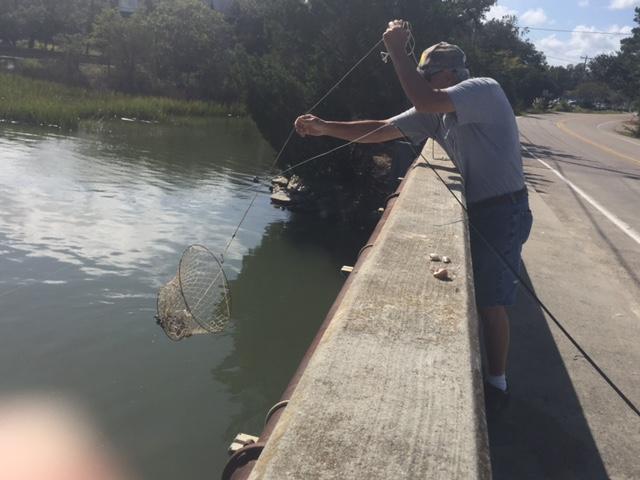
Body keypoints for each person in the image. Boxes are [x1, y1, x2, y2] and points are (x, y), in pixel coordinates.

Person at [294, 20, 533, 411]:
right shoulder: (434, 113)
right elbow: (381, 130)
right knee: (482, 297)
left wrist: (398, 51)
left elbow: (423, 100)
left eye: (428, 76)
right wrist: (324, 128)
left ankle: (498, 384)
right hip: (481, 208)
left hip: (504, 210)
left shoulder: (483, 90)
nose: (423, 83)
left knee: (492, 301)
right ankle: (488, 374)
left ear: (451, 73)